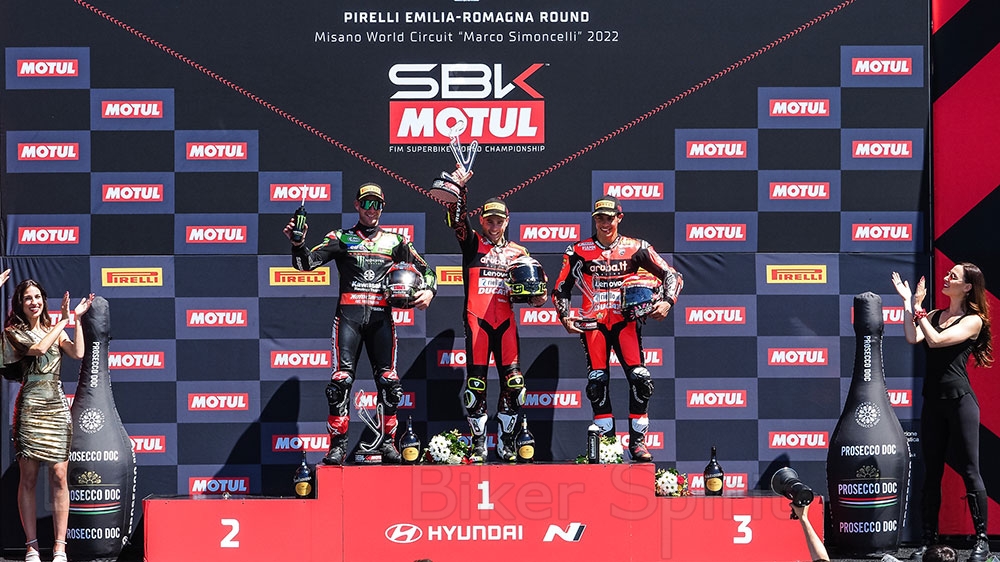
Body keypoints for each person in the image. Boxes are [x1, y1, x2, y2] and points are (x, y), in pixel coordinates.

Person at [284, 182, 437, 465]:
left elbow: (427, 270)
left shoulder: (396, 241)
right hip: (349, 318)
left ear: (382, 207)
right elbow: (305, 264)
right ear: (357, 205)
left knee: (390, 383)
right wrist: (298, 244)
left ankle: (388, 443)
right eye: (366, 203)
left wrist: (429, 290)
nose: (371, 209)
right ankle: (337, 446)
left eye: (377, 204)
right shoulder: (341, 237)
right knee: (339, 384)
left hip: (381, 318)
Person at [552, 196, 682, 462]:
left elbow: (672, 275)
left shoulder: (636, 247)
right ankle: (608, 445)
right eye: (599, 218)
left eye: (609, 218)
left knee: (640, 380)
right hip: (593, 325)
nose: (604, 223)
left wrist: (668, 302)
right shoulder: (578, 250)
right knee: (597, 383)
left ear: (619, 218)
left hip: (626, 323)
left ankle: (637, 442)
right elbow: (561, 288)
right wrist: (565, 316)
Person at [892, 264, 993, 562]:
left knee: (970, 471)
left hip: (960, 402)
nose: (946, 278)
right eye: (948, 273)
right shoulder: (935, 315)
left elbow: (936, 341)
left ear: (967, 287)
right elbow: (913, 337)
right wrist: (907, 303)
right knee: (932, 472)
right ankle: (928, 541)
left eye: (953, 276)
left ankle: (982, 541)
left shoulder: (973, 321)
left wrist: (918, 309)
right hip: (933, 401)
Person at [444, 172, 546, 462]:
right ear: (482, 221)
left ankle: (506, 441)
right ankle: (478, 443)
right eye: (489, 221)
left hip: (506, 324)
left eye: (499, 221)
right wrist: (460, 189)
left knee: (514, 385)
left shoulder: (519, 252)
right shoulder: (472, 243)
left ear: (507, 221)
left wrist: (538, 298)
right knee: (476, 385)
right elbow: (457, 221)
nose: (494, 226)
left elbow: (535, 289)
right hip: (477, 321)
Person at [4, 279, 94, 562]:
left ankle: (59, 547)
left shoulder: (55, 329)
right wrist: (62, 321)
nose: (34, 302)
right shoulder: (14, 332)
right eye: (27, 298)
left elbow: (78, 353)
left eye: (37, 297)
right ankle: (31, 546)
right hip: (30, 407)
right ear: (20, 304)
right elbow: (40, 349)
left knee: (59, 476)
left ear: (43, 300)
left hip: (56, 406)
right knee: (28, 478)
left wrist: (76, 320)